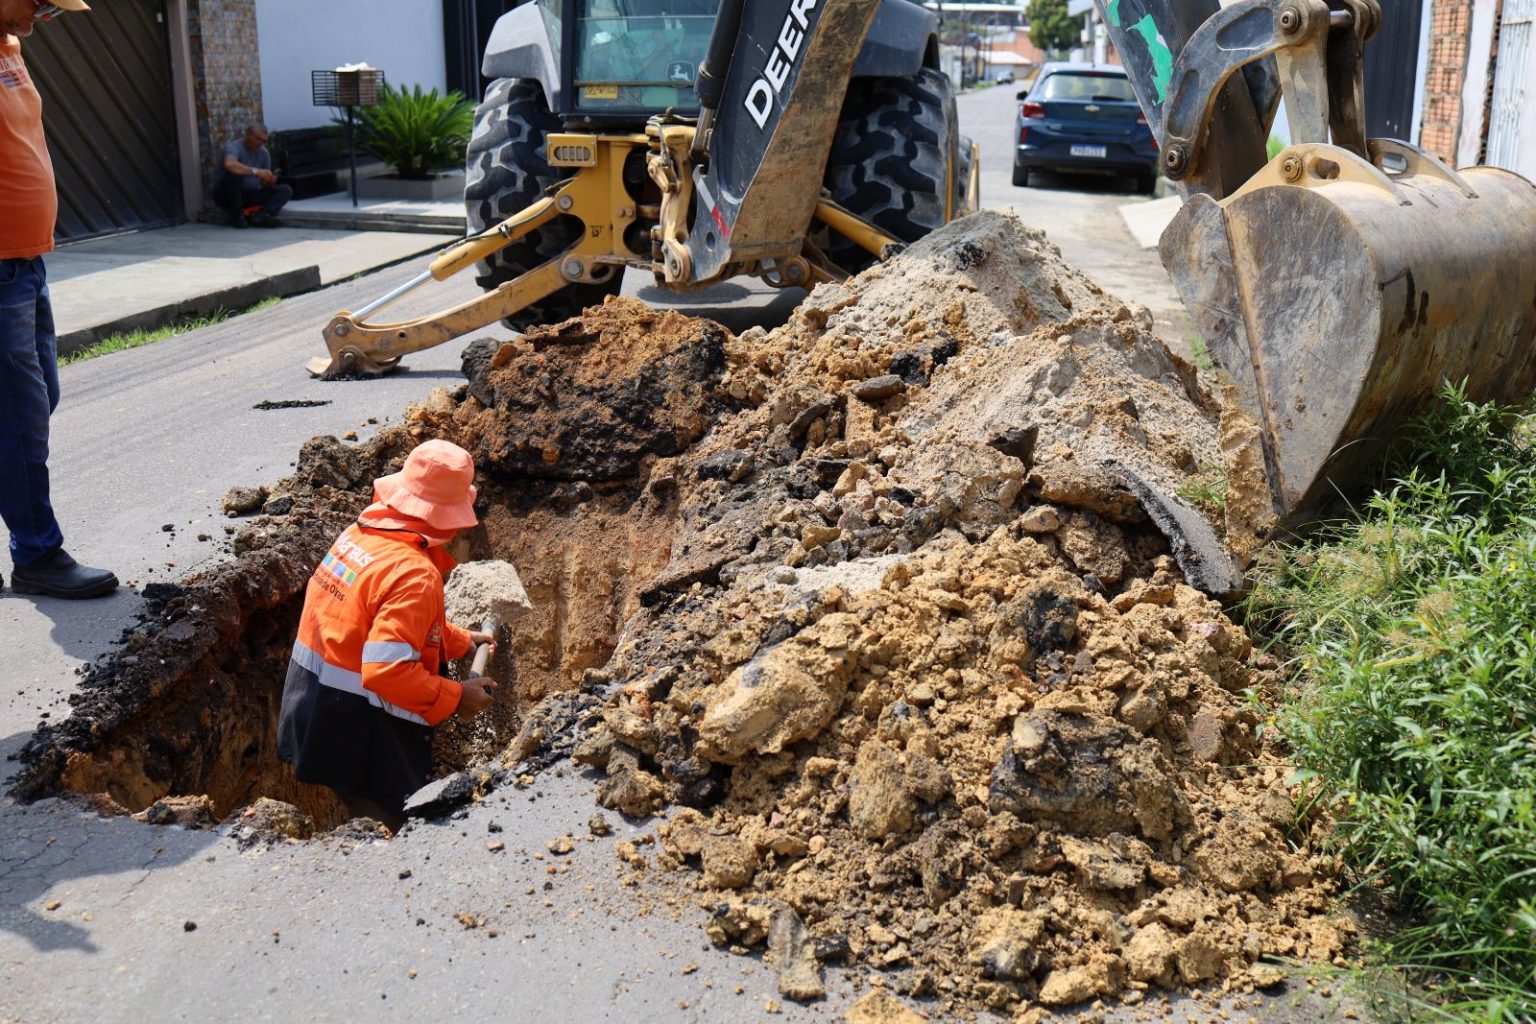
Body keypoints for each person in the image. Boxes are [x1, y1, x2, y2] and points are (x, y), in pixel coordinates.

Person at [277, 440, 498, 829]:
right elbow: (386, 671)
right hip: (359, 730)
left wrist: (461, 641)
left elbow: (377, 621)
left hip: (310, 704)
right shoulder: (415, 574)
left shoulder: (363, 535)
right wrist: (457, 697)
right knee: (385, 829)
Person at [0, 0, 118, 600]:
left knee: (40, 396)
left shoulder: (11, 48)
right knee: (17, 418)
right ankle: (38, 555)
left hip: (25, 262)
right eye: (40, 1)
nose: (48, 14)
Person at [213, 122, 292, 228]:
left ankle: (261, 216)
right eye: (258, 139)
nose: (261, 144)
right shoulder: (234, 147)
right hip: (227, 195)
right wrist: (256, 171)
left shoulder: (264, 153)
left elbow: (264, 185)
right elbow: (229, 164)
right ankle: (238, 218)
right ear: (248, 136)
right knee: (234, 175)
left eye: (264, 141)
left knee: (285, 190)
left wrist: (269, 181)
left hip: (250, 195)